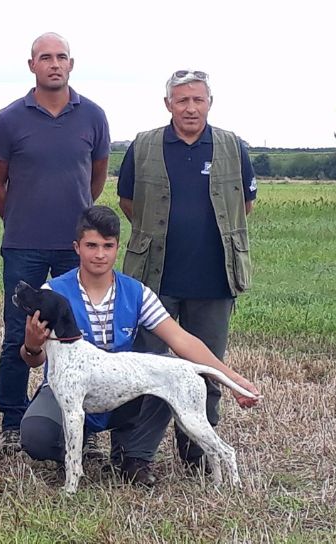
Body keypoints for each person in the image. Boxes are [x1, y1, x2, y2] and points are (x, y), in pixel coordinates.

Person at [17, 206, 260, 486]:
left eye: (107, 246)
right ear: (77, 247)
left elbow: (181, 340)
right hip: (70, 390)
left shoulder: (137, 293)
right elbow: (32, 360)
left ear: (117, 248)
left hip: (123, 392)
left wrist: (234, 379)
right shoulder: (53, 293)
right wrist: (33, 346)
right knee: (37, 435)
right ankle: (74, 453)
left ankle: (134, 457)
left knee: (167, 373)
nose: (99, 254)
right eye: (91, 245)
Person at [118, 69, 258, 472]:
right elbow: (128, 202)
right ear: (168, 105)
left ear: (209, 103)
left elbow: (243, 208)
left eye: (197, 99)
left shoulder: (233, 146)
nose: (190, 108)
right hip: (155, 279)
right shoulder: (143, 146)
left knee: (208, 369)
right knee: (145, 368)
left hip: (214, 280)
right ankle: (136, 456)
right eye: (182, 100)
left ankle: (198, 453)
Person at [0, 33, 110, 453]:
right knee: (19, 332)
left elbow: (94, 178)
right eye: (45, 58)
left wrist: (76, 225)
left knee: (78, 333)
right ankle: (12, 419)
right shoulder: (9, 119)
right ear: (31, 65)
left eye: (61, 58)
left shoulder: (92, 116)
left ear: (71, 65)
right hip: (23, 245)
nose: (54, 64)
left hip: (73, 247)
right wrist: (22, 219)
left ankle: (85, 425)